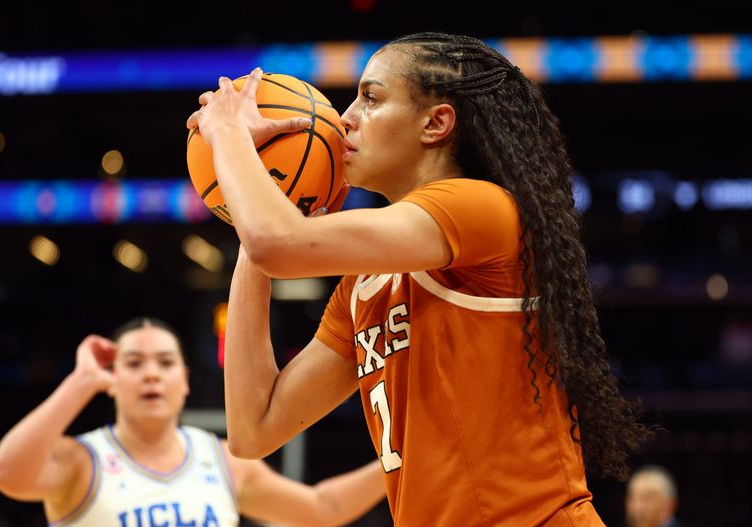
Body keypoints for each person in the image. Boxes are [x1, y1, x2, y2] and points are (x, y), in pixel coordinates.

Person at [187, 32, 650, 526]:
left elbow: (280, 245)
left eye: (372, 97)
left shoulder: (483, 208)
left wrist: (232, 137)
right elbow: (254, 427)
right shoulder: (365, 284)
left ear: (436, 123)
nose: (346, 118)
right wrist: (266, 197)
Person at [0, 317, 386, 527]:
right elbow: (6, 472)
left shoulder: (221, 459)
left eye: (165, 363)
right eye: (133, 363)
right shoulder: (81, 460)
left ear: (185, 382)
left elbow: (322, 508)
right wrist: (81, 381)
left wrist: (394, 462)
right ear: (112, 381)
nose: (151, 374)